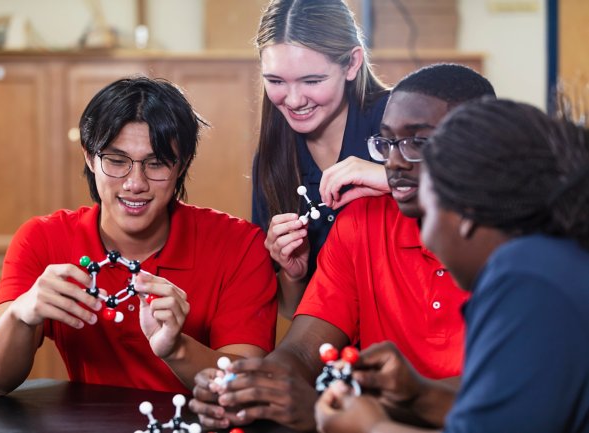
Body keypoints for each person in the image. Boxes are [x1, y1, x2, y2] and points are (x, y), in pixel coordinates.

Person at [190, 64, 496, 431]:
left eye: (417, 142)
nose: (395, 162)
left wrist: (331, 411)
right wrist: (249, 387)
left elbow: (511, 392)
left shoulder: (517, 243)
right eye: (387, 144)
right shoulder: (360, 222)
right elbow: (303, 351)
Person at [0, 77, 278, 396]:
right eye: (117, 161)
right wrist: (22, 313)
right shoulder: (43, 239)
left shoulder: (239, 245)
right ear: (90, 158)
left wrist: (176, 349)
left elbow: (247, 387)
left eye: (156, 163)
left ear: (183, 163)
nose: (135, 183)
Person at [315, 99, 589, 433]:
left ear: (466, 216)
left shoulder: (524, 278)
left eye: (426, 214)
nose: (425, 237)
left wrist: (367, 428)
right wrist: (419, 394)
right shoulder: (551, 261)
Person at [251, 0, 391, 318]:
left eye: (312, 81)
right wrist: (292, 273)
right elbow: (292, 313)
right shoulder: (272, 160)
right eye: (275, 81)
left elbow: (473, 193)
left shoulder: (397, 119)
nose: (294, 99)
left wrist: (392, 178)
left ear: (352, 63)